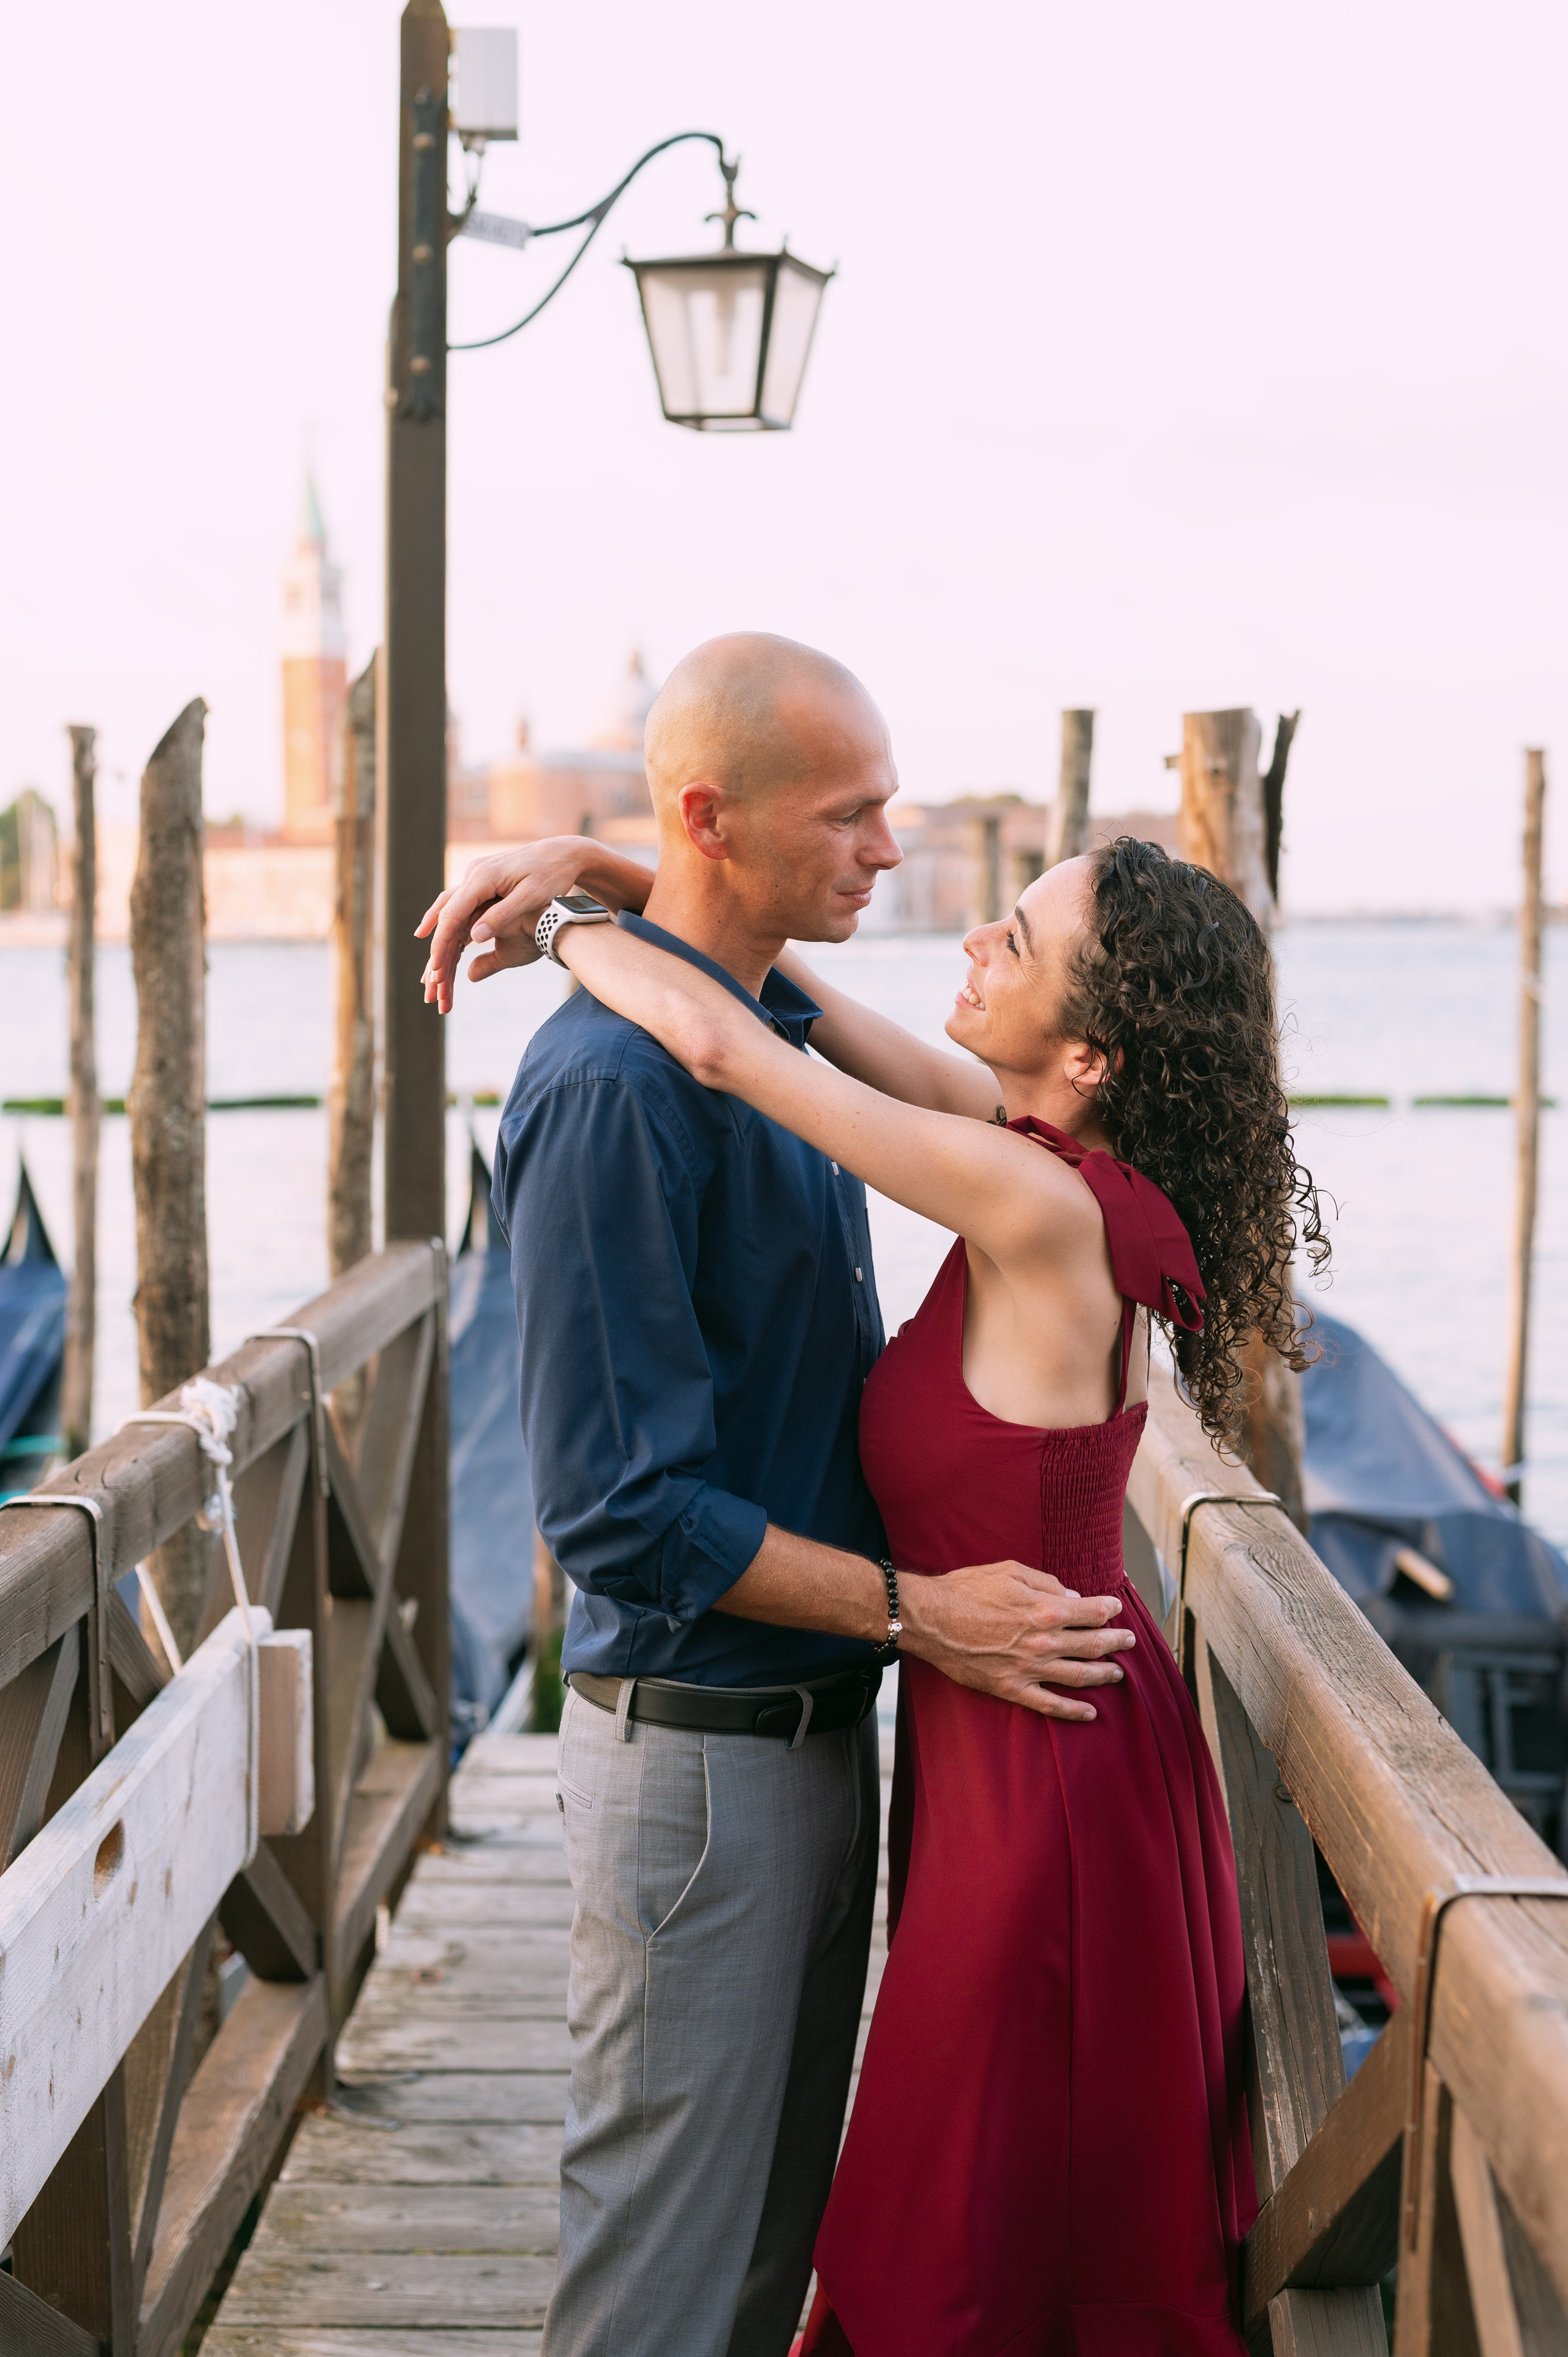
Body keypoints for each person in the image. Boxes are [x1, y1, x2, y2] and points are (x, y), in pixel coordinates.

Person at [423, 768, 1327, 2355]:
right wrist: (638, 877)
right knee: (965, 2209)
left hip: (1046, 1787)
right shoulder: (1040, 1155)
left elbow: (722, 1039)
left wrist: (557, 915)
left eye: (1018, 938)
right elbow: (802, 1008)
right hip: (1026, 1744)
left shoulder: (1029, 1198)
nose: (969, 930)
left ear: (1092, 1050)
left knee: (970, 2222)